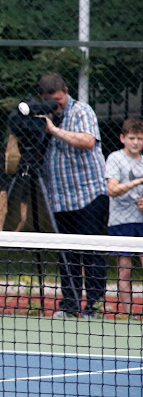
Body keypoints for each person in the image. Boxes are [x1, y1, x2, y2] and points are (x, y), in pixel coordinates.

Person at [38, 73, 108, 319]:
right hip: (59, 198)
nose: (56, 105)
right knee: (66, 254)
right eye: (51, 101)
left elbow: (88, 141)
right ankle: (70, 305)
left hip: (89, 194)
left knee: (91, 251)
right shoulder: (43, 116)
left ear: (65, 91)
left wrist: (54, 130)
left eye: (58, 100)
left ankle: (94, 305)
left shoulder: (82, 111)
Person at [105, 117, 143, 320]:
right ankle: (130, 315)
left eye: (140, 138)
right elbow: (112, 189)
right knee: (125, 271)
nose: (136, 142)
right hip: (121, 223)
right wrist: (136, 182)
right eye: (132, 138)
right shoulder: (114, 159)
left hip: (142, 223)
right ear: (122, 138)